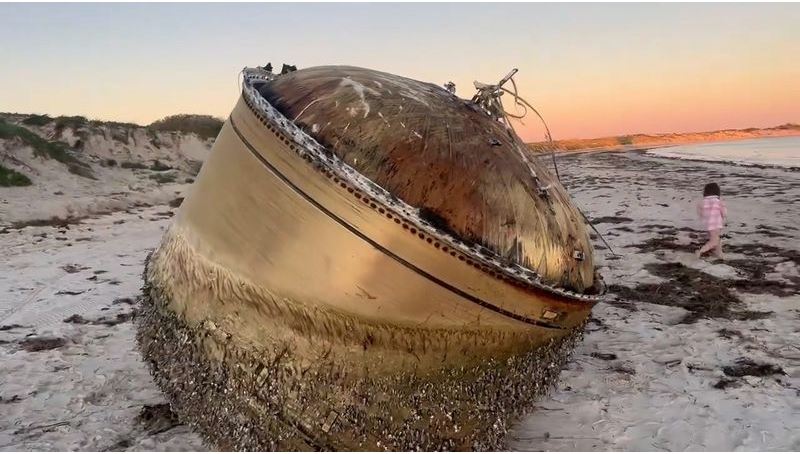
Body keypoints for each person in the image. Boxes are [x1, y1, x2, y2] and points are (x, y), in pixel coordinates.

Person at [695, 182, 727, 260]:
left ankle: (720, 254)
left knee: (716, 239)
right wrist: (723, 217)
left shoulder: (703, 202)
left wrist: (704, 218)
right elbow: (724, 213)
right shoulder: (719, 202)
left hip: (708, 224)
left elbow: (700, 212)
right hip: (716, 224)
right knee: (714, 241)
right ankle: (700, 251)